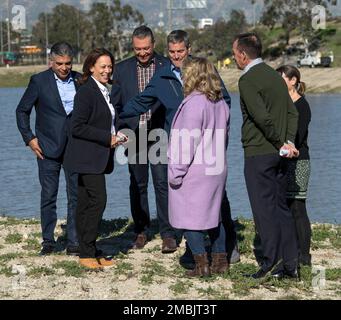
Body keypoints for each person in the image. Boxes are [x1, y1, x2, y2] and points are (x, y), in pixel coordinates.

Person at [119, 29, 240, 267]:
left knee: (217, 200)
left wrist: (220, 138)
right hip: (179, 147)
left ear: (189, 49)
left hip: (207, 150)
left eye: (181, 51)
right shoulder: (162, 77)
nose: (176, 56)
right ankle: (193, 251)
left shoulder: (205, 71)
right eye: (172, 52)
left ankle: (227, 247)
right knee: (184, 200)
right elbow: (141, 101)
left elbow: (224, 101)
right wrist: (112, 114)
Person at [232, 32, 300, 280]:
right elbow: (292, 113)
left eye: (234, 53)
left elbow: (261, 117)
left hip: (259, 153)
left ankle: (270, 262)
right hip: (280, 154)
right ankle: (290, 265)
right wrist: (288, 142)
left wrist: (281, 141)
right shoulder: (274, 75)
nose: (234, 57)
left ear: (242, 54)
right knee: (281, 208)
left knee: (263, 210)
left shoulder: (248, 80)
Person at [64, 48, 126, 270]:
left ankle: (88, 249)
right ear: (91, 67)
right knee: (98, 201)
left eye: (110, 66)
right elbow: (77, 126)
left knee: (84, 204)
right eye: (103, 67)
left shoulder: (103, 90)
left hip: (97, 156)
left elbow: (104, 120)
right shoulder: (86, 92)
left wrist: (117, 134)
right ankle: (87, 252)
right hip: (87, 157)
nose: (107, 71)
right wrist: (106, 138)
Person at [16, 42, 80, 256]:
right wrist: (29, 139)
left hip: (75, 147)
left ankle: (73, 241)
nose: (64, 68)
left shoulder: (81, 80)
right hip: (46, 148)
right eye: (59, 63)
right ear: (51, 62)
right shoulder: (39, 81)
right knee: (49, 195)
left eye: (68, 63)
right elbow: (21, 111)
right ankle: (48, 241)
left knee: (75, 195)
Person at [168, 57, 230, 277]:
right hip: (217, 167)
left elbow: (186, 143)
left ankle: (201, 264)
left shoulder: (194, 103)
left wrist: (175, 172)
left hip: (197, 170)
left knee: (189, 217)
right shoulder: (220, 102)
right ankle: (221, 260)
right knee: (214, 215)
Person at [111, 26, 171, 251]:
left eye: (146, 48)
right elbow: (115, 105)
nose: (142, 53)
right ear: (132, 47)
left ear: (153, 45)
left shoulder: (167, 65)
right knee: (138, 185)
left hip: (160, 135)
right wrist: (121, 129)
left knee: (162, 183)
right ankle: (141, 231)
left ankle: (167, 233)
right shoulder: (122, 69)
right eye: (138, 49)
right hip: (133, 137)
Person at [276, 65, 312, 266]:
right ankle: (289, 251)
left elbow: (296, 137)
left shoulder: (302, 106)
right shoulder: (282, 105)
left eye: (281, 79)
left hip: (299, 162)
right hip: (283, 161)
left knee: (298, 208)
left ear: (293, 80)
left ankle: (304, 257)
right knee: (286, 207)